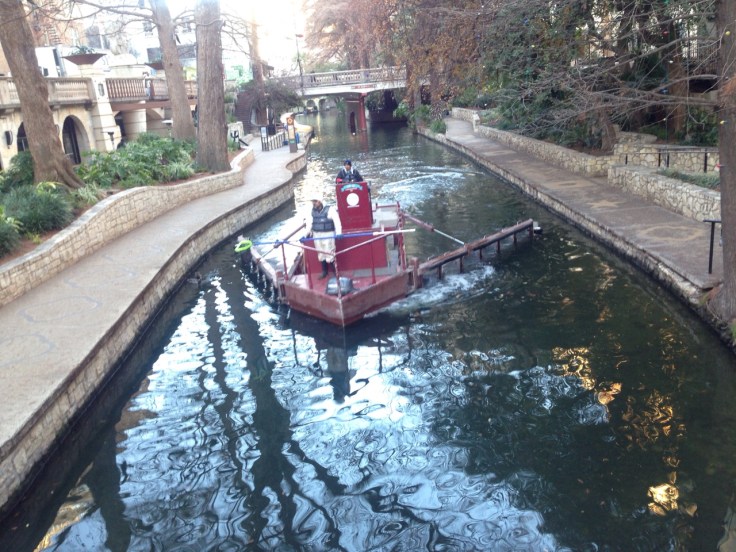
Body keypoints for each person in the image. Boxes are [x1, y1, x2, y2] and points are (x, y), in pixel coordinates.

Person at [305, 194, 342, 279]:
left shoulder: (330, 209)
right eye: (313, 201)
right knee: (320, 252)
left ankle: (335, 273)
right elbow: (309, 224)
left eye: (315, 201)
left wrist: (339, 232)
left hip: (328, 234)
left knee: (330, 252)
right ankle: (324, 272)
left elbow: (337, 221)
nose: (314, 203)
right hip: (316, 235)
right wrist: (305, 234)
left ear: (320, 201)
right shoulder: (311, 211)